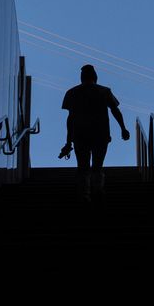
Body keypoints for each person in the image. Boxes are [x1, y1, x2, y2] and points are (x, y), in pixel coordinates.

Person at [60, 64, 130, 203]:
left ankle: (84, 195)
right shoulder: (104, 91)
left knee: (83, 166)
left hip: (80, 135)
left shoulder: (72, 93)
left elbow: (70, 119)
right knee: (97, 165)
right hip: (101, 134)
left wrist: (68, 141)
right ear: (95, 77)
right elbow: (115, 110)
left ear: (81, 78)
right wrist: (123, 128)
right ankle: (97, 190)